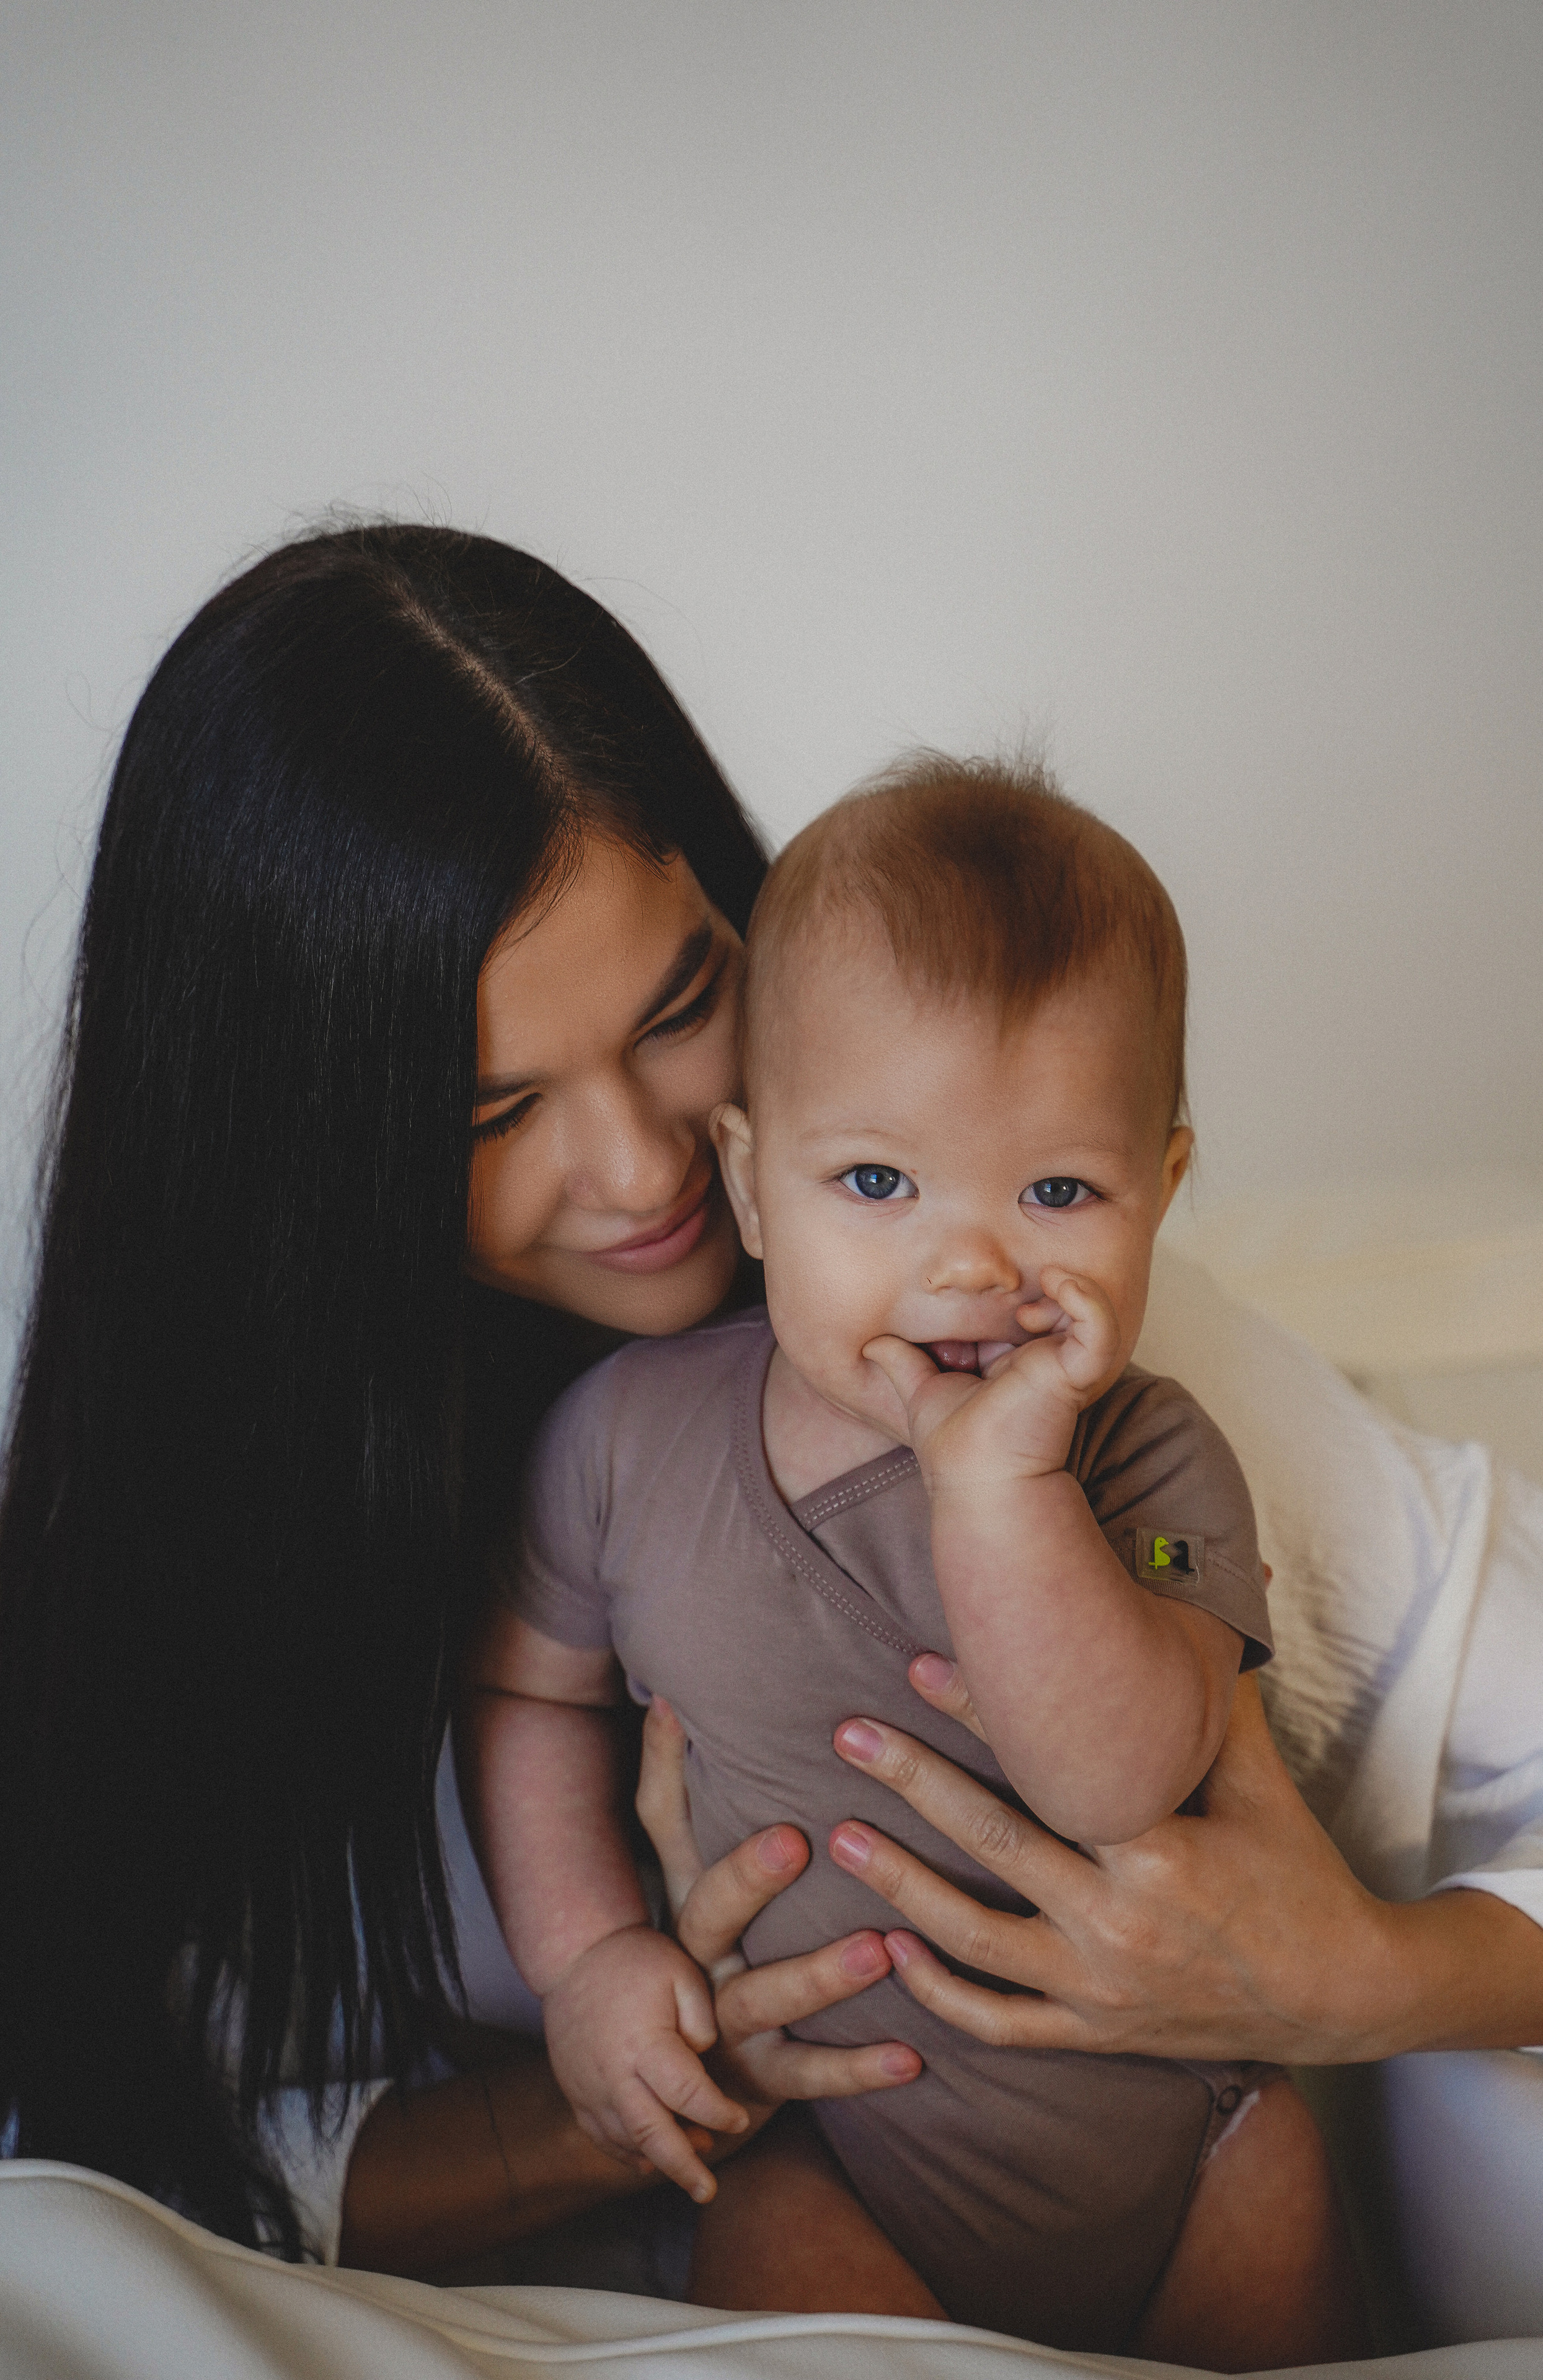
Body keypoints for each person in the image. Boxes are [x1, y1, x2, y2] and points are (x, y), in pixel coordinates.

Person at [0, 524, 926, 2293]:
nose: (640, 1172)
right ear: (294, 1151)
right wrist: (623, 2090)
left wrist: (1325, 1965)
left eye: (686, 1003)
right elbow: (101, 2149)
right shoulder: (197, 1569)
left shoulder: (958, 1298)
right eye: (491, 1116)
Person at [467, 758, 1366, 2358]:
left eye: (1060, 1190)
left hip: (1194, 2138)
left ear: (1161, 1189)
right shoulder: (620, 1441)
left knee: (1283, 2222)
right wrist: (593, 1958)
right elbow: (532, 1701)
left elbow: (1114, 1785)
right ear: (750, 1180)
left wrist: (1004, 1486)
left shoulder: (1150, 1463)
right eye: (875, 1183)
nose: (969, 1264)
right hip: (839, 2167)